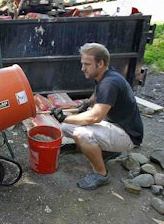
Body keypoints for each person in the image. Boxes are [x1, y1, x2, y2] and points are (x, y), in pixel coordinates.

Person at [50, 43, 143, 190]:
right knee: (67, 128)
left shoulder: (109, 83)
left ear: (100, 63)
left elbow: (95, 117)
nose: (82, 68)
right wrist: (87, 103)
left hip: (128, 135)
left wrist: (63, 117)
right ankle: (101, 150)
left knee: (80, 133)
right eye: (82, 64)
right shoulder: (105, 74)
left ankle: (101, 174)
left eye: (87, 64)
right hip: (115, 126)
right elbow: (97, 93)